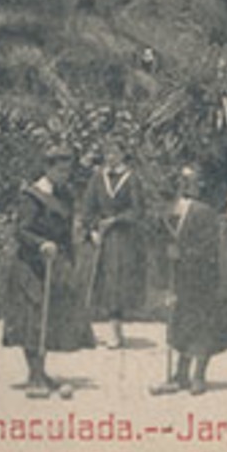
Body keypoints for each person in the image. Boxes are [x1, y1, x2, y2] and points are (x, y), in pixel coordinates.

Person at [2, 147, 95, 397]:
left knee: (48, 317)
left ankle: (41, 372)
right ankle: (34, 375)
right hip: (31, 264)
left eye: (68, 170)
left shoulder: (64, 194)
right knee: (33, 318)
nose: (66, 175)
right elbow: (21, 231)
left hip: (55, 264)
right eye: (61, 170)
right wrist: (41, 243)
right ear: (48, 168)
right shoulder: (32, 196)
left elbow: (66, 230)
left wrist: (80, 242)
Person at [152, 166, 227, 395]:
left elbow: (210, 250)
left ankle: (199, 376)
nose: (163, 212)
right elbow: (160, 252)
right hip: (180, 281)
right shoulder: (165, 218)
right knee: (180, 326)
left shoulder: (202, 213)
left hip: (205, 280)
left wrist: (183, 255)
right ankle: (180, 375)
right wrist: (166, 287)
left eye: (166, 206)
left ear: (177, 199)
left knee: (203, 328)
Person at [83, 140, 148, 349]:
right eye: (107, 153)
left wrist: (115, 220)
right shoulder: (97, 177)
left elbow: (137, 210)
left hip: (122, 237)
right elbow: (88, 206)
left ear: (122, 154)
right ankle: (86, 330)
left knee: (116, 281)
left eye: (114, 152)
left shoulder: (131, 178)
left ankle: (115, 331)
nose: (110, 157)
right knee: (92, 280)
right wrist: (92, 229)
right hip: (100, 236)